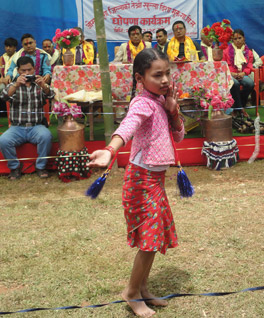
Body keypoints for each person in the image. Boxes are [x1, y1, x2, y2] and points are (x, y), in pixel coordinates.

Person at [87, 48, 184, 317]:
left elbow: (179, 138)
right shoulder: (142, 103)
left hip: (156, 181)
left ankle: (142, 288)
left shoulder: (162, 101)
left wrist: (173, 110)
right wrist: (110, 149)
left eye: (167, 73)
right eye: (157, 75)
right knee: (150, 240)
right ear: (140, 77)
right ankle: (130, 293)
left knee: (153, 238)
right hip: (141, 181)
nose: (165, 80)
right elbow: (128, 126)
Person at [0, 56, 54, 180]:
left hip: (36, 126)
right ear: (18, 71)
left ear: (34, 69)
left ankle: (41, 167)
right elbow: (4, 96)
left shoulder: (39, 84)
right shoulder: (14, 84)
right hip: (17, 127)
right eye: (23, 71)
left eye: (29, 70)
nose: (27, 73)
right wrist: (16, 85)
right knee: (3, 140)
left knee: (46, 136)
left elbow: (52, 96)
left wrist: (44, 85)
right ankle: (15, 167)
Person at [223, 29, 254, 117]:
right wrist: (232, 73)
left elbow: (250, 66)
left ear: (244, 38)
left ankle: (236, 107)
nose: (238, 40)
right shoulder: (226, 51)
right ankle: (241, 109)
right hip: (231, 75)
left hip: (242, 74)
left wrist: (243, 73)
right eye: (235, 39)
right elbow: (224, 65)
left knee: (250, 83)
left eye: (239, 38)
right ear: (232, 40)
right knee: (235, 83)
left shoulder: (249, 53)